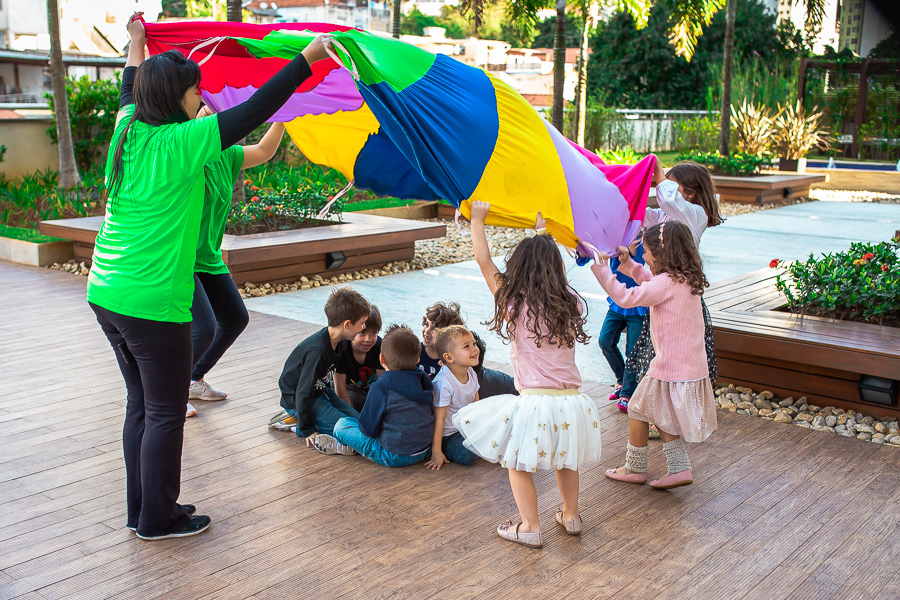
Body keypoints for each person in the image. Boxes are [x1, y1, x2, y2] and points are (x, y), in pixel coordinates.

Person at [86, 14, 331, 540]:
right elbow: (253, 111)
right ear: (178, 98)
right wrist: (306, 62)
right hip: (152, 300)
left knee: (141, 407)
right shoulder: (184, 141)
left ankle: (142, 511)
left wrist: (135, 44)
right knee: (167, 413)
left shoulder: (127, 126)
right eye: (196, 92)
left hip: (107, 290)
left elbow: (129, 83)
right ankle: (159, 518)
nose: (201, 99)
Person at [452, 204, 601, 549]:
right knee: (567, 458)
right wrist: (545, 229)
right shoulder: (571, 303)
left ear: (517, 270)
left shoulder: (513, 303)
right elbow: (554, 265)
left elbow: (484, 262)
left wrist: (477, 222)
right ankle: (571, 515)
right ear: (558, 270)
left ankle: (530, 526)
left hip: (535, 402)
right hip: (572, 402)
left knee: (517, 463)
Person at [590, 220, 716, 490]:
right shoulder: (683, 278)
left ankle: (635, 468)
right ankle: (679, 469)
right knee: (657, 412)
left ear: (662, 254)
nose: (643, 256)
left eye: (645, 252)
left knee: (637, 407)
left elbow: (626, 297)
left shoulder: (665, 284)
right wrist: (630, 265)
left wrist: (603, 270)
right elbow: (652, 283)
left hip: (669, 366)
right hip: (687, 364)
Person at [187, 107, 288, 417]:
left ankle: (192, 378)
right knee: (202, 330)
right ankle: (170, 389)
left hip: (208, 258)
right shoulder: (186, 151)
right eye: (202, 105)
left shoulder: (226, 155)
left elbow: (263, 149)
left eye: (214, 110)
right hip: (182, 260)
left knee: (235, 319)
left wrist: (285, 115)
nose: (208, 111)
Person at [624, 159, 723, 415]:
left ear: (689, 192)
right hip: (664, 288)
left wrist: (658, 173)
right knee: (662, 354)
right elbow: (645, 215)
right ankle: (663, 413)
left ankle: (673, 414)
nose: (665, 186)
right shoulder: (670, 214)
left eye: (672, 183)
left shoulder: (695, 214)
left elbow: (668, 199)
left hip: (679, 295)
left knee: (675, 357)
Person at [268, 287, 370, 458]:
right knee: (350, 433)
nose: (364, 327)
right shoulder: (318, 351)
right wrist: (307, 430)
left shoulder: (338, 341)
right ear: (347, 325)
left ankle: (298, 419)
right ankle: (298, 422)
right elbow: (303, 391)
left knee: (360, 423)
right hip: (299, 399)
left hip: (320, 393)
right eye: (361, 323)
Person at [329, 325, 435, 467]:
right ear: (417, 359)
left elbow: (368, 429)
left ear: (382, 359)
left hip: (394, 454)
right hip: (424, 450)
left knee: (342, 425)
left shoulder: (381, 387)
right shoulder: (424, 380)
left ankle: (349, 446)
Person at [419, 302, 517, 398]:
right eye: (426, 324)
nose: (427, 331)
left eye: (434, 329)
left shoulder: (460, 362)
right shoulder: (414, 353)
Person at [598, 236, 648, 414]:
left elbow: (644, 269)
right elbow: (589, 256)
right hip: (617, 303)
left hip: (638, 305)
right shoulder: (613, 237)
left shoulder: (642, 241)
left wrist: (635, 251)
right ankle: (622, 381)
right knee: (605, 341)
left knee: (632, 352)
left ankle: (628, 393)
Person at [424, 325, 481, 470]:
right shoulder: (444, 383)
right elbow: (439, 419)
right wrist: (436, 450)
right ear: (449, 357)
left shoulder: (471, 373)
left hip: (465, 428)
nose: (475, 348)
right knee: (468, 455)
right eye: (467, 346)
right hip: (448, 435)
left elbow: (477, 407)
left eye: (474, 344)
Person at [333, 305, 384, 411]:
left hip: (372, 390)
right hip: (349, 389)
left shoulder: (379, 346)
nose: (368, 339)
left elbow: (382, 384)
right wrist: (351, 415)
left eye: (373, 333)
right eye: (362, 332)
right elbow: (339, 386)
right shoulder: (342, 348)